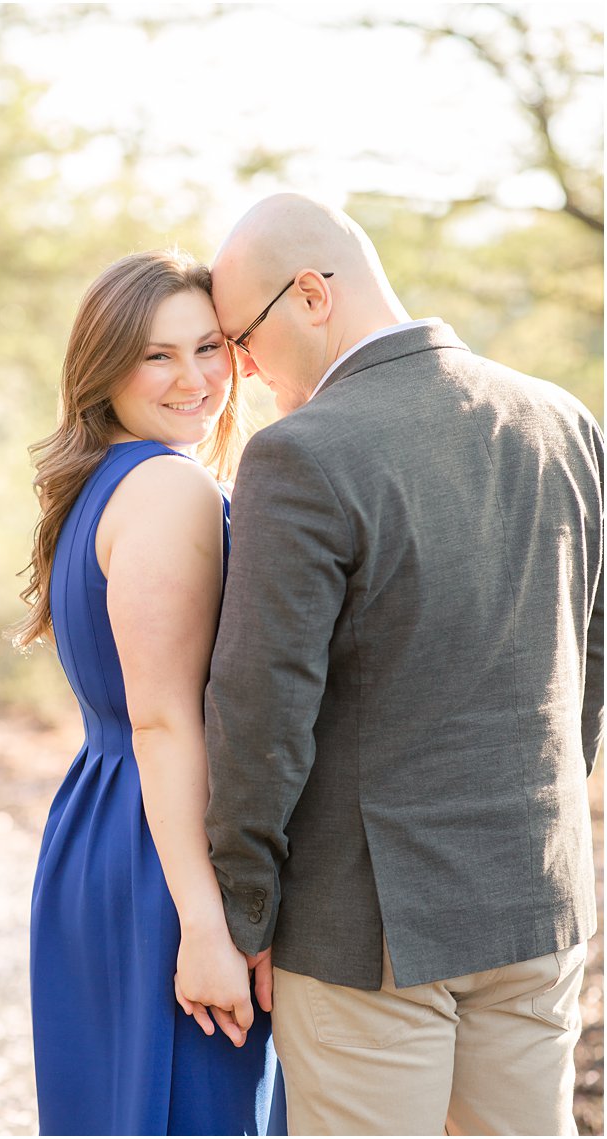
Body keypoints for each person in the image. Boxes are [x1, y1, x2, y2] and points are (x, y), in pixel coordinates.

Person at [199, 193, 603, 1135]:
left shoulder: (300, 455)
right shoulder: (566, 420)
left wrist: (246, 914)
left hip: (366, 930)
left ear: (310, 295)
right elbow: (589, 667)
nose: (241, 371)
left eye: (243, 339)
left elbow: (260, 717)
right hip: (537, 901)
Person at [16, 249, 285, 1135]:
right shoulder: (169, 487)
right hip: (166, 856)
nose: (194, 377)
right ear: (105, 369)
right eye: (157, 354)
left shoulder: (104, 483)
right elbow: (165, 719)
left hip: (105, 828)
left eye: (209, 346)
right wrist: (207, 924)